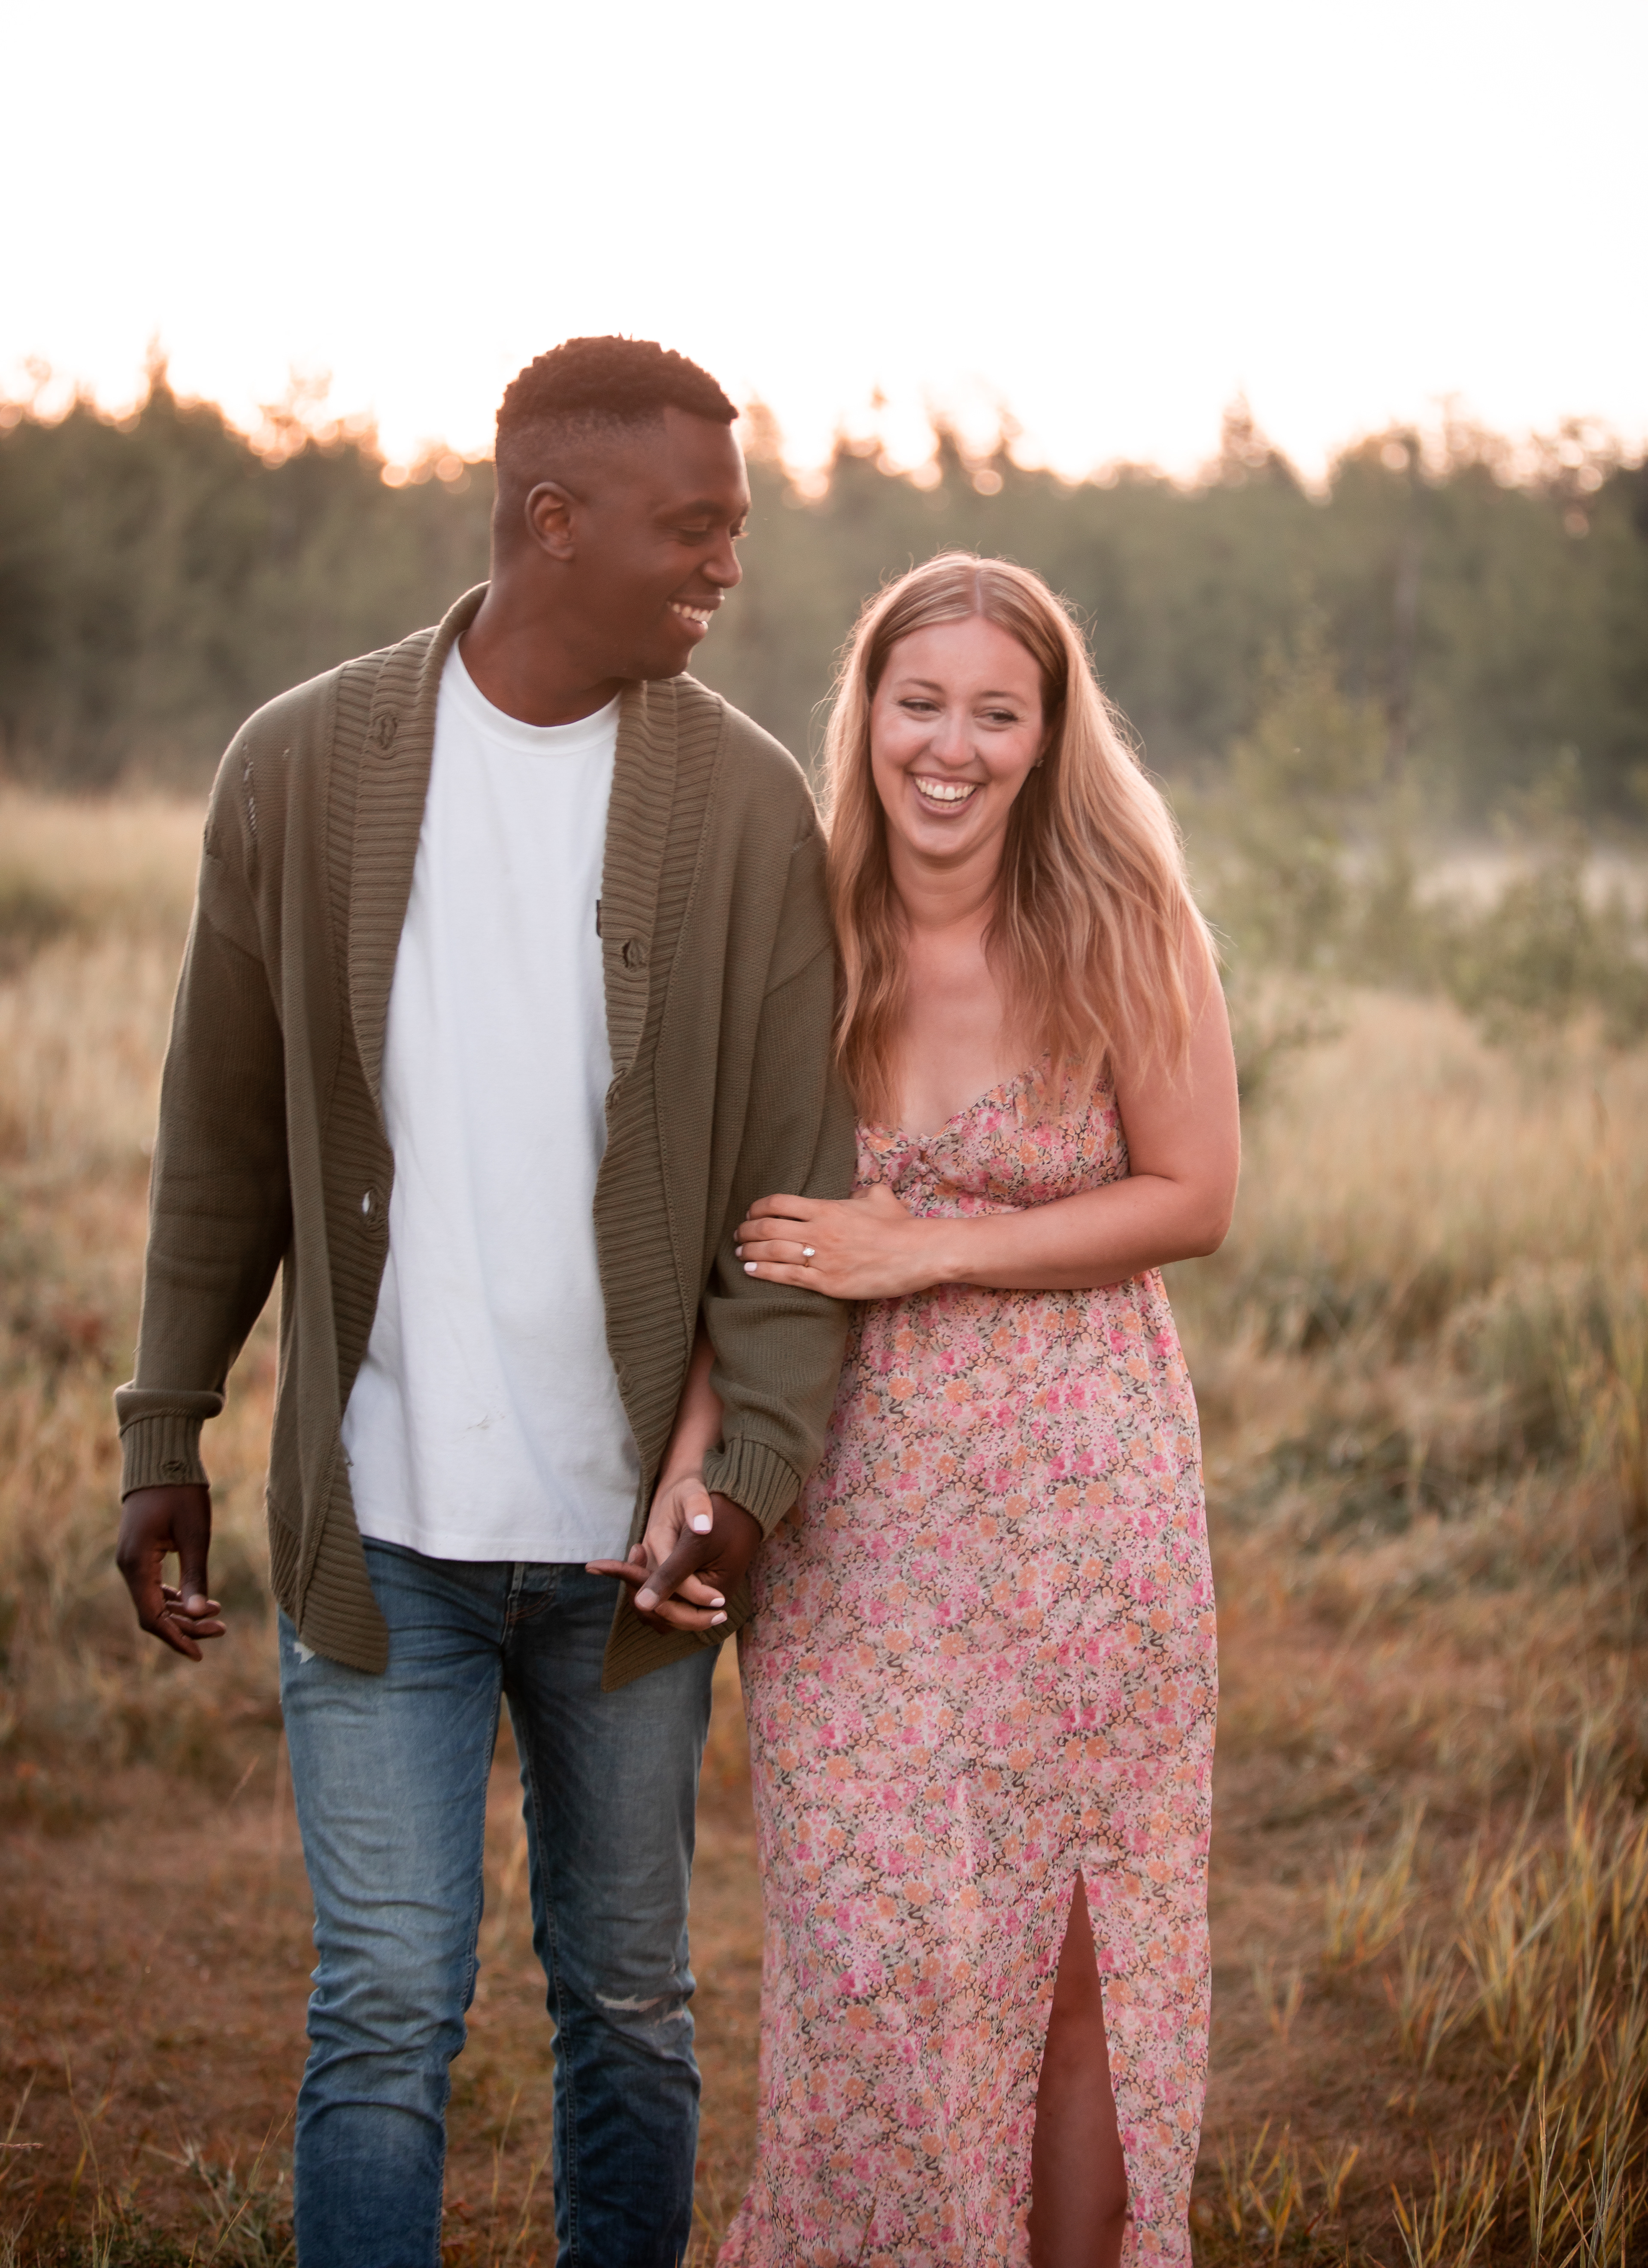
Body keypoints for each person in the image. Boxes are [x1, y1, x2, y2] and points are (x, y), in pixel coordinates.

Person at [112, 336, 854, 2268]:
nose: (725, 567)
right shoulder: (303, 766)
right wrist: (163, 1429)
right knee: (378, 2021)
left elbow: (796, 1199)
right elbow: (221, 1141)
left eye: (736, 530)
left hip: (632, 1562)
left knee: (629, 2007)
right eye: (694, 528)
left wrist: (753, 1474)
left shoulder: (754, 810)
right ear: (552, 520)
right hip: (385, 1542)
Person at [622, 554, 1239, 2267]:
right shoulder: (793, 933)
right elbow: (722, 1247)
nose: (950, 747)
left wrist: (930, 1243)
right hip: (855, 1520)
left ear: (1048, 738)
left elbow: (1194, 1195)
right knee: (875, 1960)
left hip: (1087, 1510)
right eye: (921, 703)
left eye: (996, 710)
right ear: (868, 714)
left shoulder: (1126, 918)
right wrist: (691, 1465)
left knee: (1069, 1970)